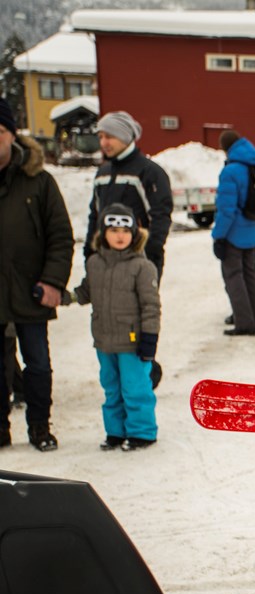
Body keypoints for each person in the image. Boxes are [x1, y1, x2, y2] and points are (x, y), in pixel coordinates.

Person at [0, 96, 74, 451]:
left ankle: (39, 427)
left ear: (12, 134)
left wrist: (53, 281)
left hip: (31, 289)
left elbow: (60, 237)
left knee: (38, 364)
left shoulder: (39, 182)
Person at [84, 111, 172, 388]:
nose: (104, 142)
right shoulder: (103, 173)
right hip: (107, 262)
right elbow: (94, 216)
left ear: (124, 136)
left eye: (108, 136)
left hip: (140, 261)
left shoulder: (148, 171)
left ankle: (144, 367)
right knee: (112, 313)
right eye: (100, 136)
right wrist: (90, 253)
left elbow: (160, 214)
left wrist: (151, 254)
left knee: (141, 313)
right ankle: (119, 369)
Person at [64, 203, 161, 451]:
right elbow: (86, 291)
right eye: (114, 230)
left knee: (135, 388)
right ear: (103, 233)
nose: (120, 236)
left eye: (125, 231)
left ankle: (142, 432)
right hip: (104, 340)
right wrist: (65, 297)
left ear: (134, 235)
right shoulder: (95, 263)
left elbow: (151, 306)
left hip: (133, 342)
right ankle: (116, 432)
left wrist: (150, 340)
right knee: (111, 388)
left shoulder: (142, 266)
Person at [213, 130, 255, 336]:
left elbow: (226, 209)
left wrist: (219, 236)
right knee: (250, 275)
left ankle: (245, 323)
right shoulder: (253, 166)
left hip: (234, 234)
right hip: (252, 231)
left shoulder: (230, 172)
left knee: (234, 277)